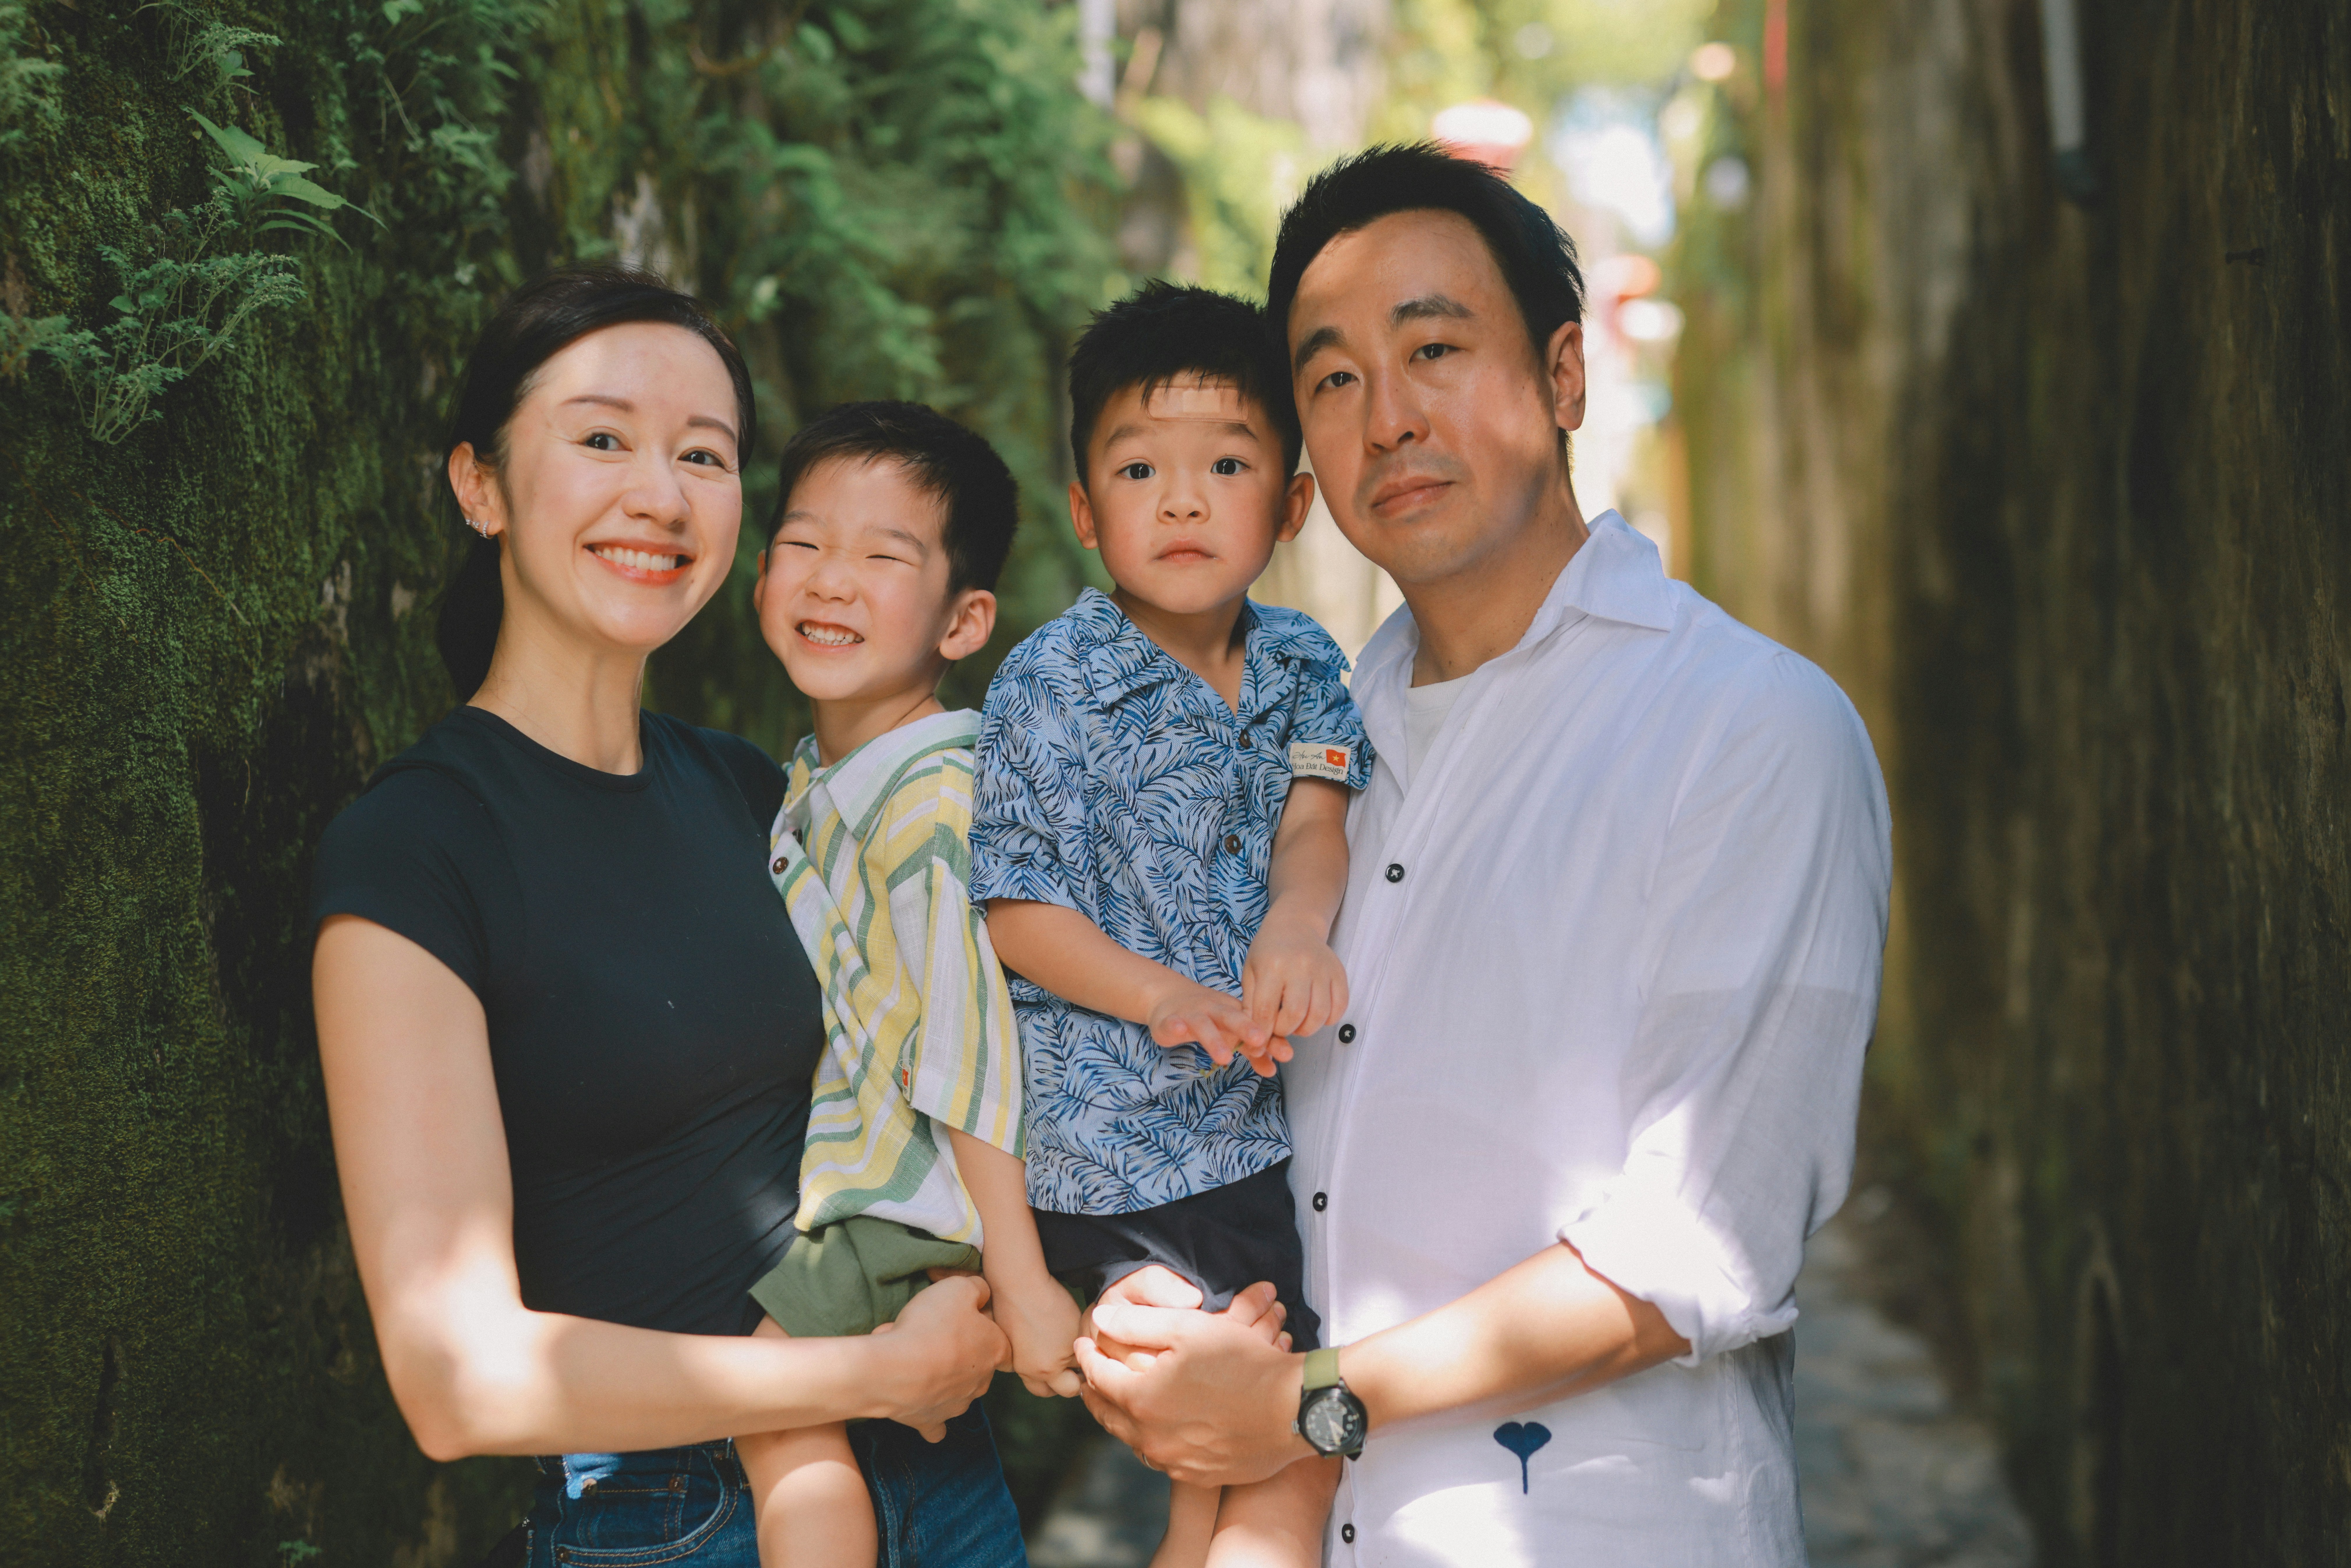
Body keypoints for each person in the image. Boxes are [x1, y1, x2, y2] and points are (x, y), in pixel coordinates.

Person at [1071, 146, 1893, 1565]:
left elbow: (1696, 1253)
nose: (1389, 418)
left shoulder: (1749, 730)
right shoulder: (1294, 748)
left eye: (1437, 348)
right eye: (1333, 381)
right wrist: (1152, 1311)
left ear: (1566, 377)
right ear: (1304, 469)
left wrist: (1297, 1410)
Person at [308, 268, 1018, 1568]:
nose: (661, 492)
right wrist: (859, 1378)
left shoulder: (764, 795)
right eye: (600, 439)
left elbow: (943, 1045)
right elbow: (458, 1382)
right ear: (479, 486)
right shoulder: (415, 848)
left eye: (705, 454)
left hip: (939, 1475)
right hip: (682, 1522)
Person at [970, 282, 1373, 1568]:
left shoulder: (1309, 661)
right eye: (1140, 468)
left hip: (1250, 1142)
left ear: (1292, 506)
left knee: (1231, 1475)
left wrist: (1299, 929)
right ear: (1089, 515)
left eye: (1227, 464)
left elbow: (1317, 822)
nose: (1184, 499)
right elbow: (1018, 912)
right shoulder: (1052, 678)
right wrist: (1163, 997)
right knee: (1279, 1459)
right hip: (1108, 1152)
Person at [730, 402, 1081, 1567]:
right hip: (870, 1189)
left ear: (965, 619)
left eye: (883, 557)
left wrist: (1020, 1278)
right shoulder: (826, 774)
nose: (832, 580)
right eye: (806, 542)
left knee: (776, 1396)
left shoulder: (936, 791)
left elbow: (972, 1036)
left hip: (905, 1202)